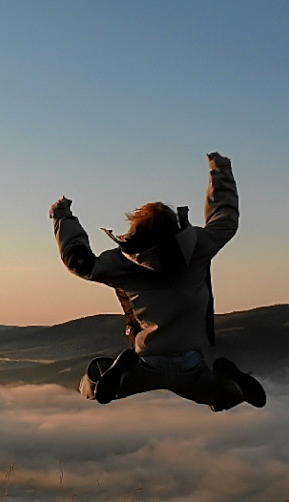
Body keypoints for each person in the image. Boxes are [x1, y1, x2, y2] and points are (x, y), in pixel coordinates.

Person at [50, 152, 266, 411]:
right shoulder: (197, 248)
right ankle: (232, 381)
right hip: (191, 362)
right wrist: (220, 169)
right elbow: (226, 220)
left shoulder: (123, 263)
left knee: (92, 389)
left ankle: (112, 369)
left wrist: (62, 215)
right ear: (176, 226)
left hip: (147, 361)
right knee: (222, 397)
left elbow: (79, 262)